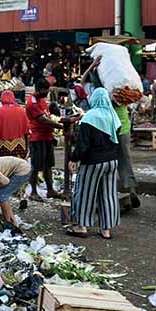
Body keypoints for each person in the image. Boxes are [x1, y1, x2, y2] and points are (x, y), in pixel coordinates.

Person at [65, 88, 121, 240]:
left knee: (84, 193)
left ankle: (81, 226)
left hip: (93, 162)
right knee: (108, 195)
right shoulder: (113, 116)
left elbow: (83, 144)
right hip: (112, 162)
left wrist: (74, 158)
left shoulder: (89, 117)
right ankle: (106, 230)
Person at [25, 78, 62, 201]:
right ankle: (33, 192)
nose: (47, 93)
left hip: (47, 137)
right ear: (39, 89)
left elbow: (47, 115)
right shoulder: (32, 102)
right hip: (37, 138)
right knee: (36, 166)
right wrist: (60, 126)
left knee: (48, 165)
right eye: (45, 90)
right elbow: (43, 120)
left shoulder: (42, 100)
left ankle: (50, 189)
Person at [113, 98, 140, 209]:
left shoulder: (106, 94)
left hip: (109, 128)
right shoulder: (122, 94)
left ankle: (109, 193)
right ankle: (132, 189)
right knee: (125, 159)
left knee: (107, 161)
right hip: (124, 127)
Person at [0, 91, 28, 159]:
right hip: (20, 148)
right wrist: (27, 148)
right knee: (18, 168)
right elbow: (27, 132)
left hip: (2, 149)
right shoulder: (22, 111)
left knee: (4, 168)